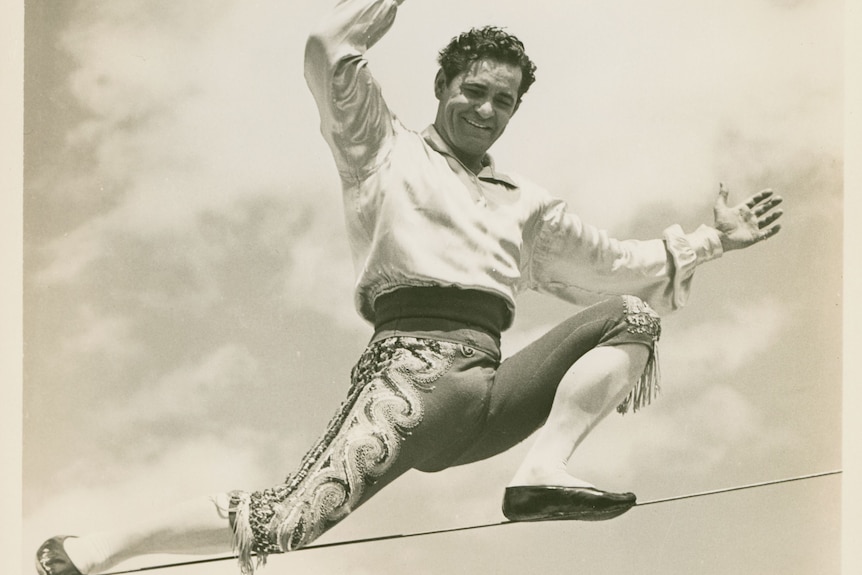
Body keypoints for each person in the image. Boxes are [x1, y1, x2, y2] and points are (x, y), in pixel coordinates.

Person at [35, 0, 783, 574]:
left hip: (491, 395)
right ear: (443, 86)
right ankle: (89, 550)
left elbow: (614, 264)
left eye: (503, 101)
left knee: (630, 316)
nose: (485, 110)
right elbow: (329, 52)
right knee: (288, 520)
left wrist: (715, 239)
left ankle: (542, 470)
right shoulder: (382, 147)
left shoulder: (526, 201)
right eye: (474, 91)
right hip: (410, 384)